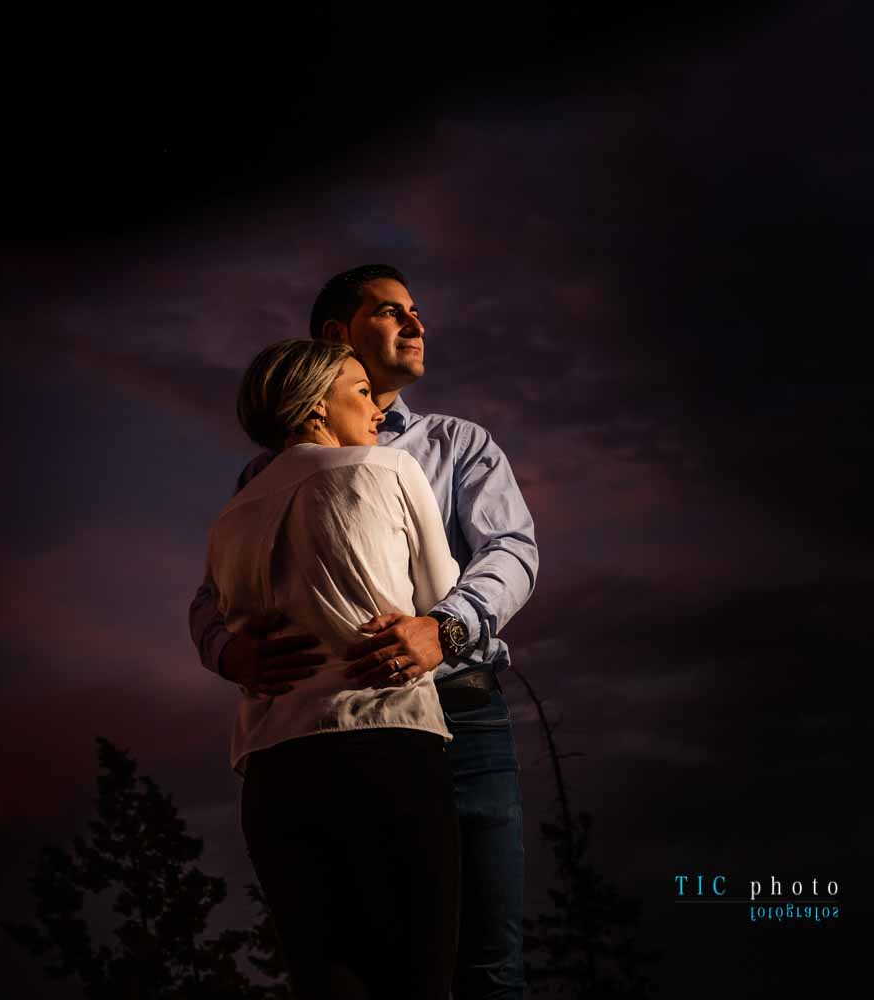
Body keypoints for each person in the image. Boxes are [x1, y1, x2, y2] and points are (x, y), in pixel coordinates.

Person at [190, 265, 538, 1000]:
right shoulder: (262, 474)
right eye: (391, 312)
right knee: (396, 963)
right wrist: (231, 650)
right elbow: (212, 595)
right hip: (352, 730)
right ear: (334, 338)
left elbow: (511, 551)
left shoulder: (455, 443)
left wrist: (443, 631)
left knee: (485, 956)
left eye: (417, 312)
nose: (416, 325)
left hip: (459, 713)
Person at [206, 337, 461, 999]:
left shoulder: (229, 518)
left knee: (329, 983)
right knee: (417, 978)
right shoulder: (391, 472)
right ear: (316, 408)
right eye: (359, 391)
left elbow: (220, 622)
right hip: (386, 744)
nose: (378, 406)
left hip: (274, 771)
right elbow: (439, 600)